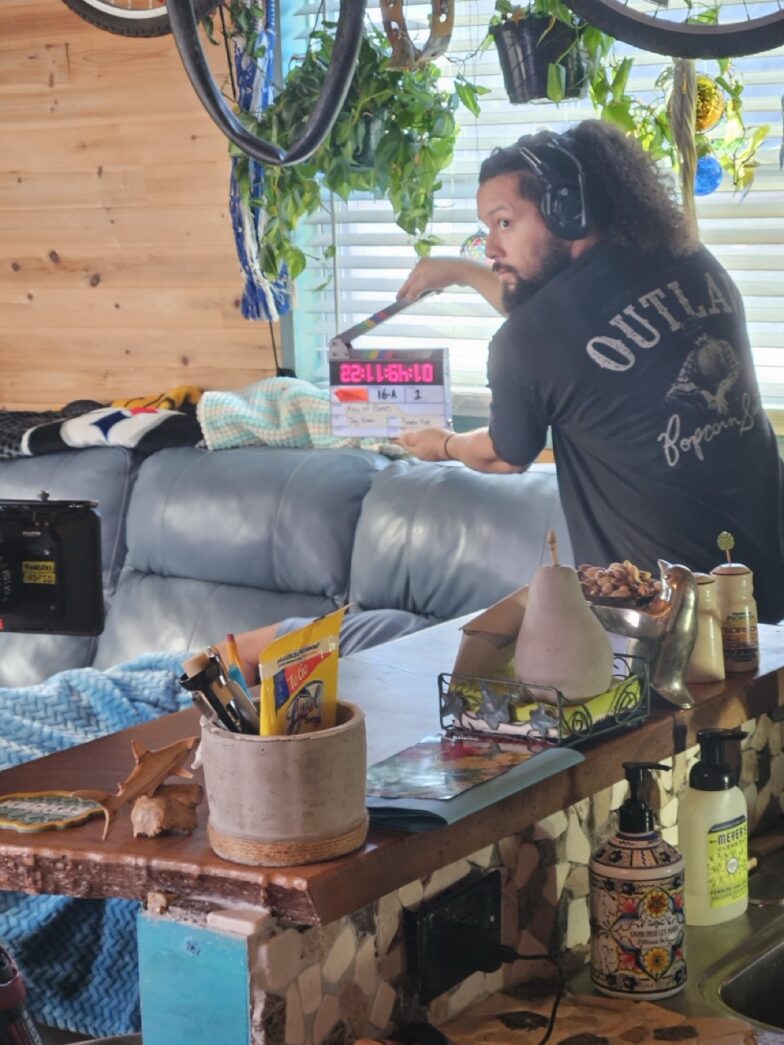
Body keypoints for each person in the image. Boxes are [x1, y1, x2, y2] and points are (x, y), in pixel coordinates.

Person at [394, 119, 784, 624]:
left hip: (664, 618)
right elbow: (562, 336)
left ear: (566, 211)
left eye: (504, 222)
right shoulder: (691, 260)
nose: (490, 247)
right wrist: (460, 272)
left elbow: (502, 457)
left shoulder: (532, 340)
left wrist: (444, 443)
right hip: (764, 582)